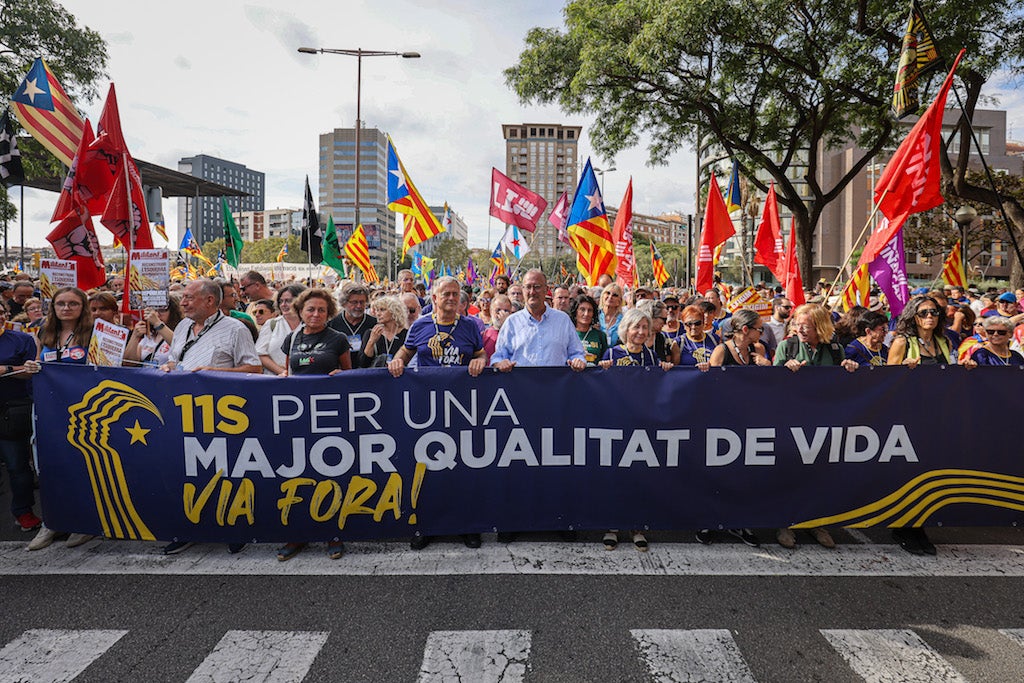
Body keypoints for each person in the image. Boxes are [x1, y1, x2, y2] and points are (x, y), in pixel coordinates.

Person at [159, 279, 261, 555]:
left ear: (210, 302)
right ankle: (188, 529)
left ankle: (234, 528)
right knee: (188, 471)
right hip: (184, 411)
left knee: (226, 471)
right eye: (182, 298)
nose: (183, 302)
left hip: (223, 414)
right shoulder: (181, 327)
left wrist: (212, 374)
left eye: (190, 297)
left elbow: (254, 368)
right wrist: (169, 366)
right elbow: (173, 359)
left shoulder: (236, 329)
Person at [387, 276, 485, 551]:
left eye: (455, 294)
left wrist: (479, 360)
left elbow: (480, 354)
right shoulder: (420, 325)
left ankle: (468, 526)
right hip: (427, 409)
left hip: (462, 408)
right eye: (446, 294)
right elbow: (405, 353)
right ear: (434, 298)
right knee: (427, 469)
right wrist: (397, 361)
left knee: (464, 467)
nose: (451, 299)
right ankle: (425, 525)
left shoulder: (469, 326)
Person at [275, 288, 351, 561]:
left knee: (330, 474)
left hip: (330, 417)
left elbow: (349, 374)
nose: (315, 314)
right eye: (310, 309)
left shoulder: (338, 339)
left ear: (329, 312)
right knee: (297, 475)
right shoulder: (291, 338)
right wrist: (284, 375)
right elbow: (288, 370)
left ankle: (333, 533)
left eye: (321, 309)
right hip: (297, 418)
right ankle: (298, 534)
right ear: (300, 311)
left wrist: (341, 375)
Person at [773, 303, 858, 550]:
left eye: (806, 325)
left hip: (823, 420)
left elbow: (843, 383)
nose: (800, 328)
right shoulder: (786, 346)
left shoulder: (834, 349)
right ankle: (785, 523)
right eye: (797, 323)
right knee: (790, 472)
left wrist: (848, 368)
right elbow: (769, 385)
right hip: (792, 420)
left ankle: (815, 522)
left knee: (818, 474)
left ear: (820, 326)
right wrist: (784, 370)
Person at [28, 287, 95, 550]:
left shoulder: (92, 334)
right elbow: (35, 363)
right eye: (61, 303)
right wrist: (33, 367)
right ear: (53, 307)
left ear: (82, 307)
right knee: (51, 467)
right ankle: (52, 523)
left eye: (73, 304)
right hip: (50, 410)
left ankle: (84, 523)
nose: (66, 308)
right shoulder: (44, 332)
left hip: (85, 411)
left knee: (83, 465)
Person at [697, 308, 769, 548]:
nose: (763, 332)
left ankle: (740, 521)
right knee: (716, 472)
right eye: (759, 328)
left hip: (750, 421)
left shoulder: (758, 350)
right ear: (745, 330)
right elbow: (712, 388)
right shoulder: (721, 350)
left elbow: (768, 385)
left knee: (744, 473)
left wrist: (766, 366)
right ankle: (708, 519)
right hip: (721, 422)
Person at [0, 300, 43, 538]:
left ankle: (23, 510)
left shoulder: (22, 340)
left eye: (1, 312)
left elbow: (30, 371)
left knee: (17, 466)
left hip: (11, 412)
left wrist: (6, 370)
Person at [490, 270, 586, 372]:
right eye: (528, 287)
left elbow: (577, 353)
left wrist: (578, 361)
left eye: (537, 287)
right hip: (521, 386)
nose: (532, 292)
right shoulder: (511, 322)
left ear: (546, 289)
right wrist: (500, 363)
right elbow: (498, 356)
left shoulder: (563, 320)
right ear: (523, 290)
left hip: (556, 386)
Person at [887, 295, 954, 368]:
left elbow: (951, 369)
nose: (929, 316)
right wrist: (903, 368)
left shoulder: (945, 341)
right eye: (923, 313)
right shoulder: (901, 342)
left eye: (934, 312)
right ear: (913, 316)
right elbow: (890, 376)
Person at [256, 283, 306, 376]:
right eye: (281, 301)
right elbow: (260, 353)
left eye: (288, 301)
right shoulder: (272, 324)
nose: (283, 305)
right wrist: (282, 371)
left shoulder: (310, 325)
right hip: (275, 381)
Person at [124, 298, 182, 367]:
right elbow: (128, 363)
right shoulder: (150, 335)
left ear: (173, 313)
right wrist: (135, 336)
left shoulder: (179, 333)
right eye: (154, 311)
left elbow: (178, 346)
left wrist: (157, 323)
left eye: (162, 310)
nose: (157, 314)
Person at [329, 282, 376, 366]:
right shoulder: (332, 324)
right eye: (354, 302)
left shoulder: (374, 323)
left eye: (362, 302)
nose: (359, 306)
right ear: (344, 303)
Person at [360, 295, 409, 368]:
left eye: (382, 310)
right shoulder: (371, 333)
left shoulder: (406, 334)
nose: (378, 314)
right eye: (377, 310)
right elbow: (363, 363)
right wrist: (371, 341)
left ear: (394, 311)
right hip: (377, 376)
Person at [637, 299, 680, 366]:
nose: (666, 323)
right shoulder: (634, 337)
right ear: (651, 317)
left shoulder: (661, 338)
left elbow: (668, 362)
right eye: (664, 319)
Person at [570, 294, 607, 366]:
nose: (586, 314)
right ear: (575, 311)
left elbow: (605, 359)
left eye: (589, 310)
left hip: (594, 376)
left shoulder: (600, 336)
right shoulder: (568, 334)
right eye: (582, 309)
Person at [677, 304, 716, 371]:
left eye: (697, 323)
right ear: (683, 325)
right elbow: (674, 370)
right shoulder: (679, 343)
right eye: (689, 324)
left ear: (703, 323)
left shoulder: (715, 339)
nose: (693, 327)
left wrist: (710, 364)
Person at [482, 294, 512, 363]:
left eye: (506, 311)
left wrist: (506, 325)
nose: (501, 314)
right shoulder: (485, 334)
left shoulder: (515, 334)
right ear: (491, 312)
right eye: (498, 310)